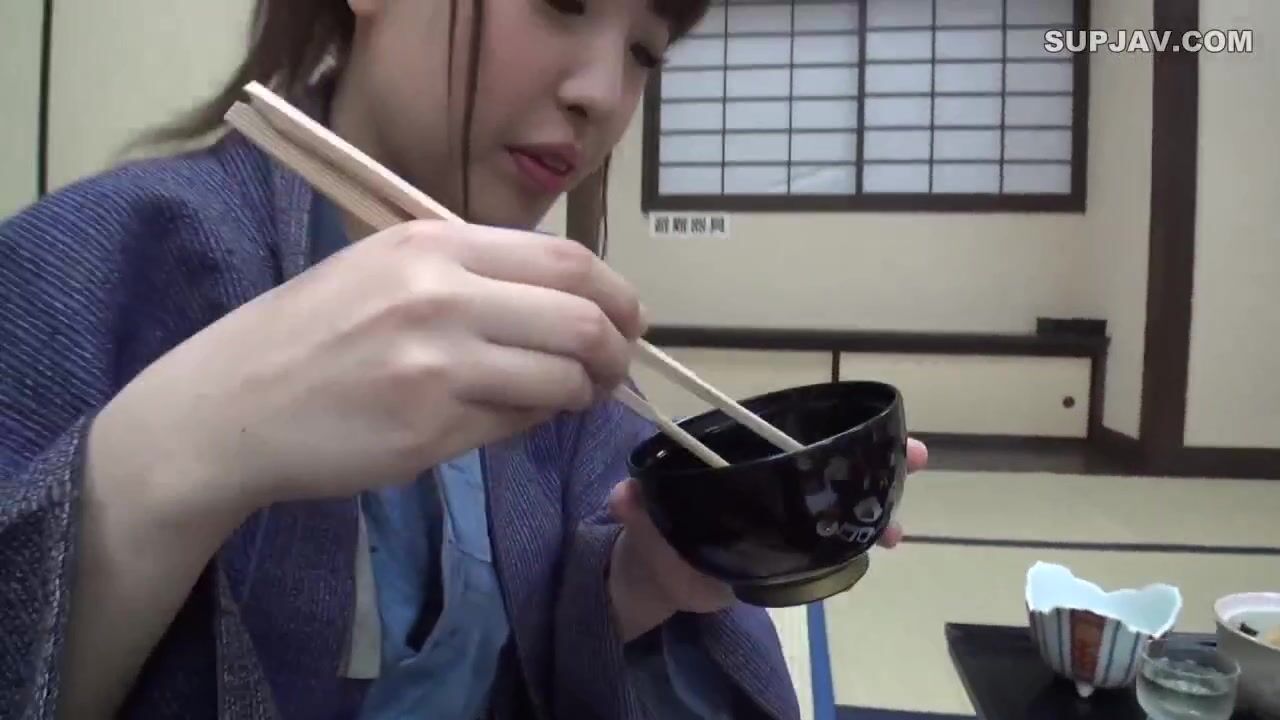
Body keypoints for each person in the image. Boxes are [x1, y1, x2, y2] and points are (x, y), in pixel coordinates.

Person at [0, 0, 928, 718]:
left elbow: (568, 634)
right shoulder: (97, 256)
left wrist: (641, 586)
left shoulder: (559, 335)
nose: (603, 93)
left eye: (645, 52)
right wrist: (177, 451)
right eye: (562, 4)